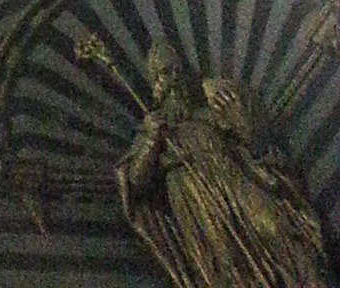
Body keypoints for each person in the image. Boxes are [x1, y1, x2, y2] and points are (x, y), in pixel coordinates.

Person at [118, 37, 331, 288]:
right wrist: (152, 141)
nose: (174, 79)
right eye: (165, 73)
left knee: (278, 230)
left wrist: (241, 119)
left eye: (177, 69)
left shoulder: (209, 108)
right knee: (229, 270)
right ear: (157, 83)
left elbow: (254, 144)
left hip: (235, 182)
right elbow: (136, 181)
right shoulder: (155, 128)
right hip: (199, 203)